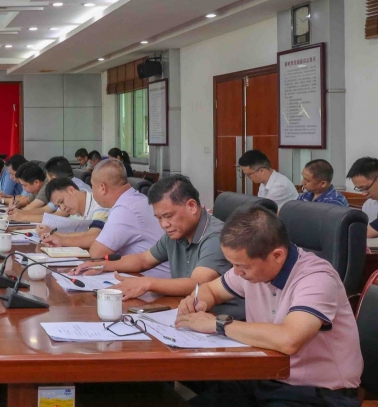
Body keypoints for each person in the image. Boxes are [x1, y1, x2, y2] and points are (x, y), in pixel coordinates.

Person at [175, 207, 362, 407]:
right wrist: (196, 301)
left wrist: (218, 324)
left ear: (277, 255)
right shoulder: (252, 269)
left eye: (242, 266)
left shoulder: (316, 278)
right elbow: (211, 290)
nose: (236, 272)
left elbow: (289, 339)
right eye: (233, 264)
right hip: (264, 376)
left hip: (316, 392)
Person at [73, 176, 242, 317]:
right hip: (187, 312)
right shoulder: (177, 232)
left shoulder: (216, 236)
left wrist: (147, 283)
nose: (164, 224)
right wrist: (102, 265)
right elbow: (143, 260)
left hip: (219, 320)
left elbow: (197, 283)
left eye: (168, 216)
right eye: (159, 218)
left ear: (191, 206)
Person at [44, 159, 169, 277]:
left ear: (102, 188)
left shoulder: (125, 208)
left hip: (153, 282)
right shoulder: (134, 199)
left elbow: (96, 253)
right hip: (142, 275)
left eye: (92, 186)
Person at [35, 176, 109, 237]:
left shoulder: (99, 203)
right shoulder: (74, 211)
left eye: (62, 201)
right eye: (58, 206)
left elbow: (93, 236)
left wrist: (53, 234)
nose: (62, 208)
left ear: (71, 190)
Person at [347, 157, 378, 237]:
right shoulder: (368, 204)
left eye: (366, 188)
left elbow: (368, 233)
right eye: (360, 189)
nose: (364, 194)